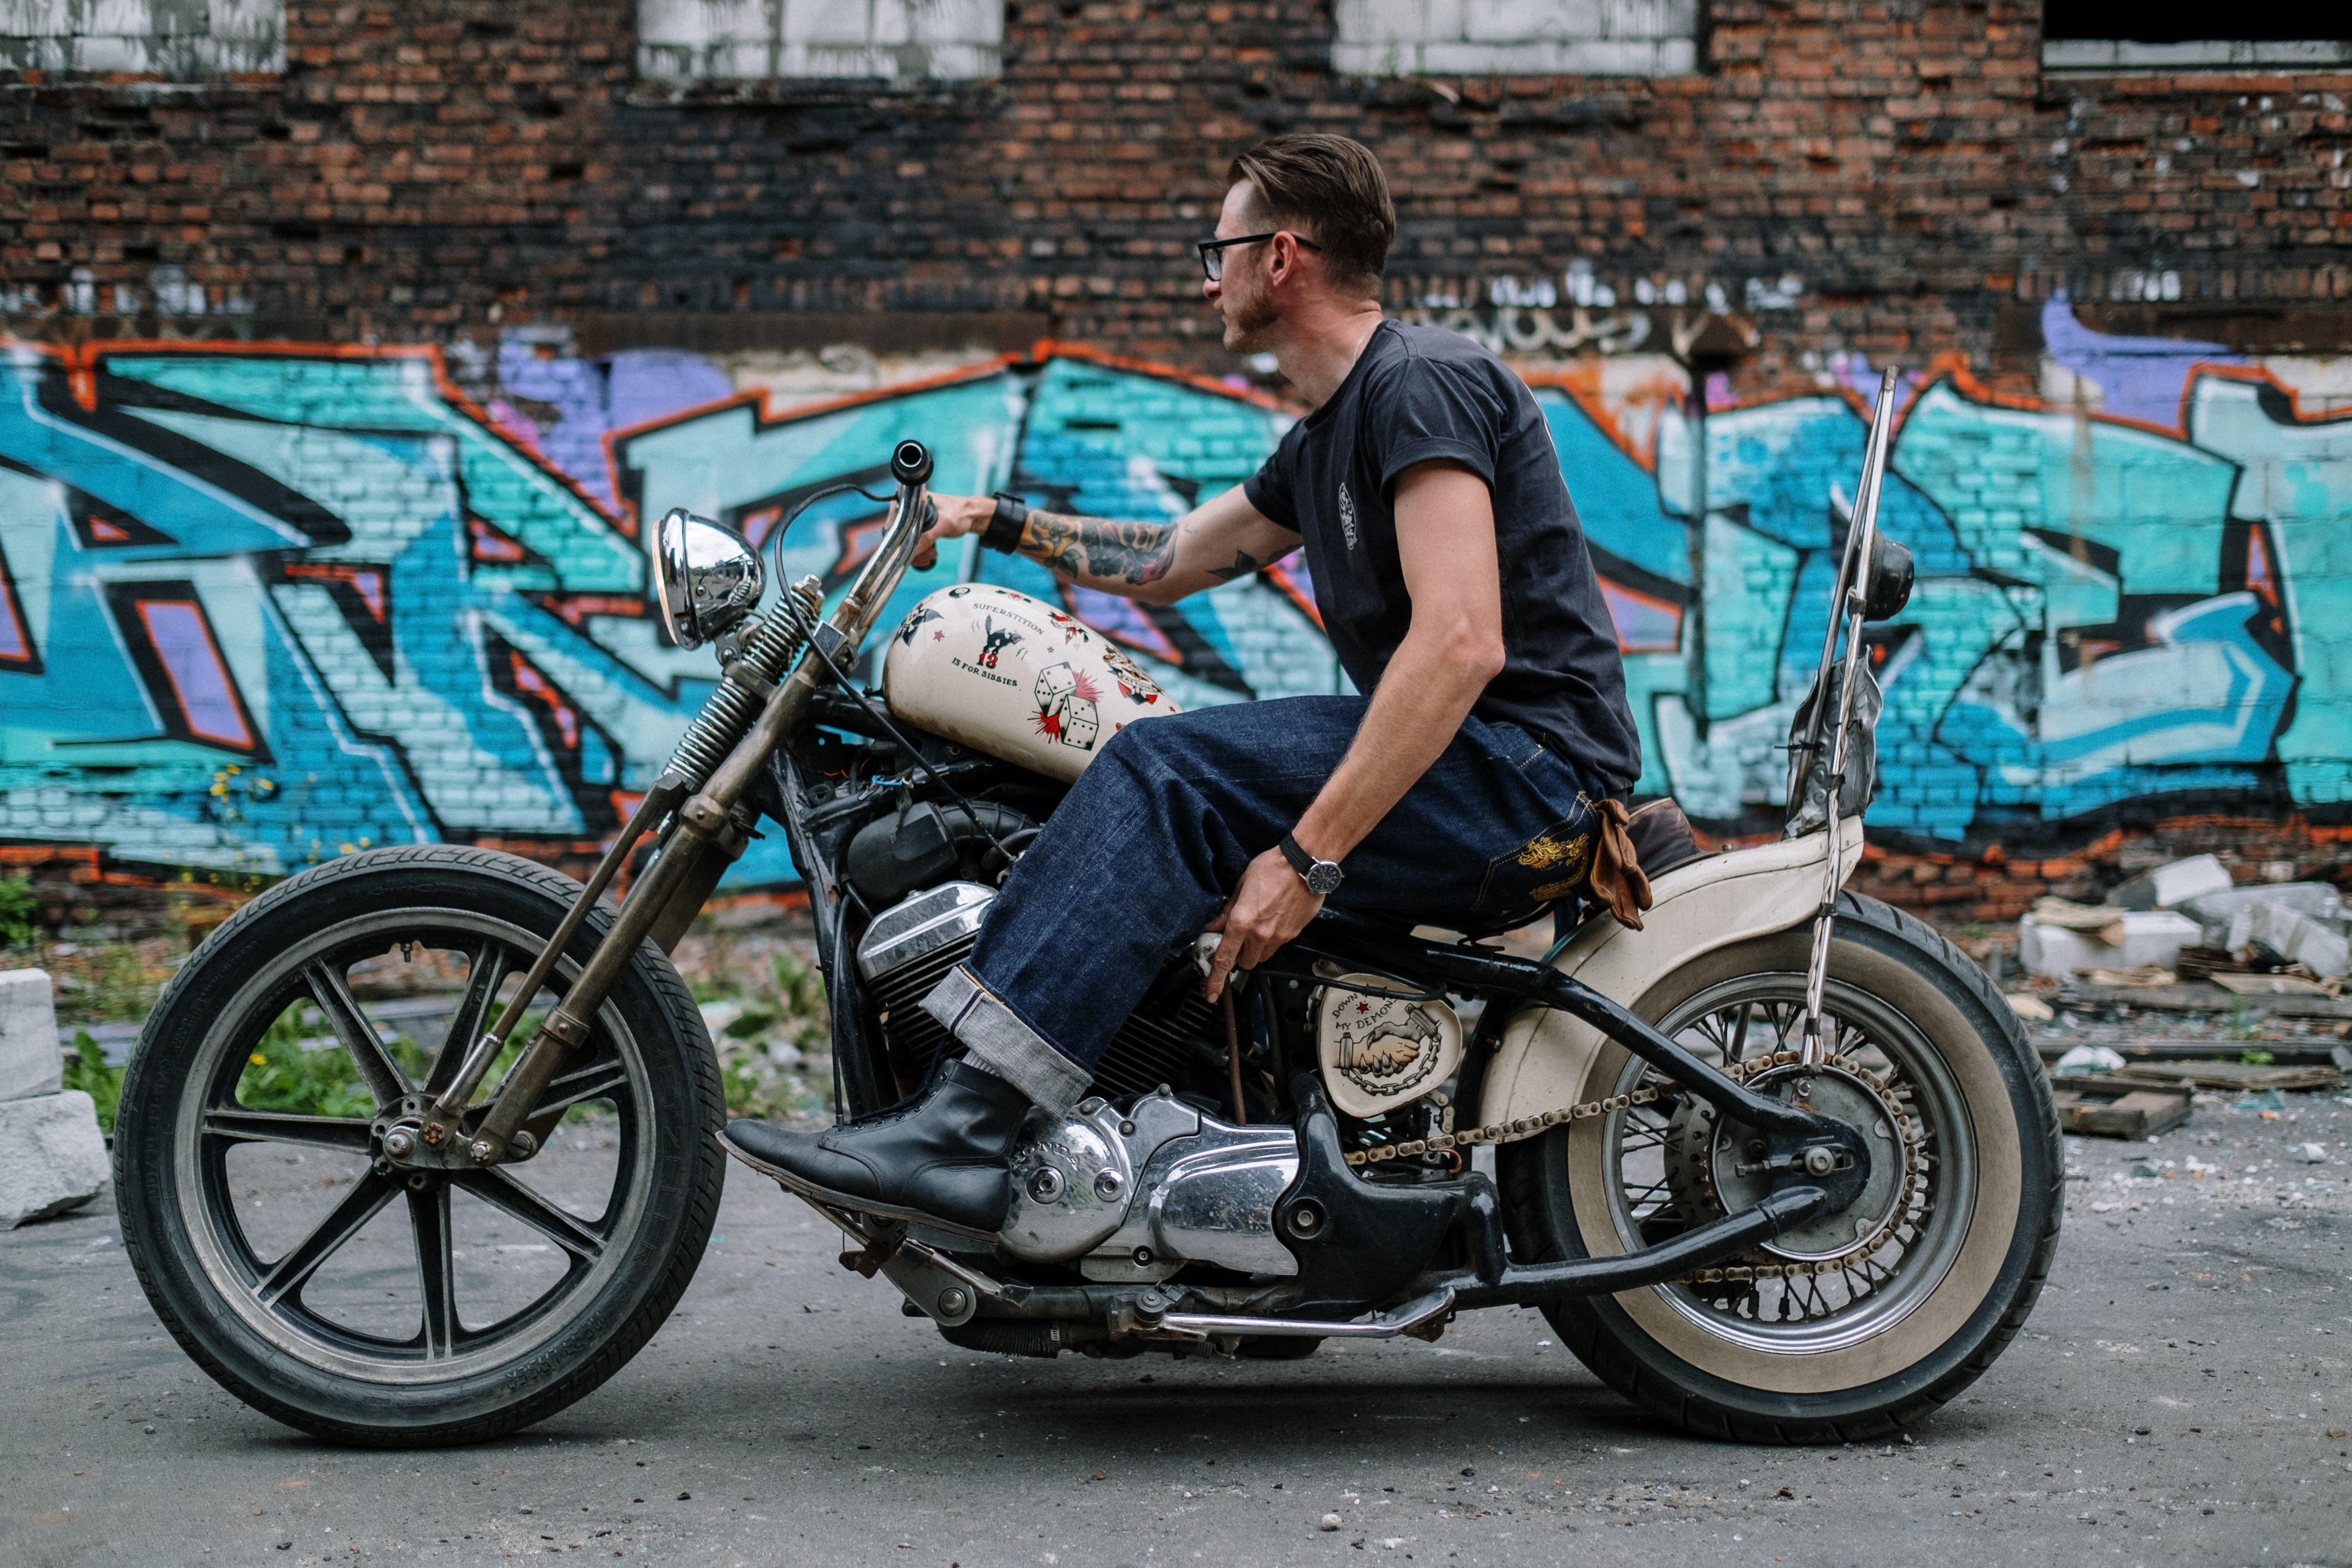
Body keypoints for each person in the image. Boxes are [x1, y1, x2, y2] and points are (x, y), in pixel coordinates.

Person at [720, 133, 1642, 1236]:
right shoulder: (1328, 435)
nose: (1208, 277)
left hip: (1523, 776)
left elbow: (1459, 646)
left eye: (1220, 251)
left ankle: (967, 1129)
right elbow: (1171, 559)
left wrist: (1310, 858)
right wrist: (993, 521)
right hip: (1484, 772)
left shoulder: (1421, 384)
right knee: (1157, 767)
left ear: (1283, 258)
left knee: (1162, 770)